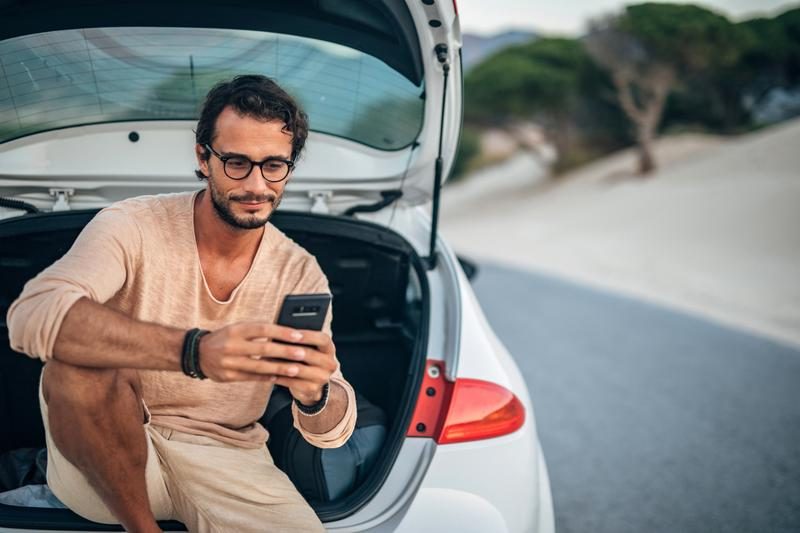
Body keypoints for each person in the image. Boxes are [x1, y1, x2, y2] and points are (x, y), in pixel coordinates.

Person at [6, 75, 357, 533]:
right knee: (77, 360)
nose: (256, 184)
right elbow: (31, 315)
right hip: (107, 456)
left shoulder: (299, 270)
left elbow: (329, 433)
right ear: (202, 158)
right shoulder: (131, 225)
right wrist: (194, 351)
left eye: (274, 165)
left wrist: (314, 394)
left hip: (230, 459)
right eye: (235, 162)